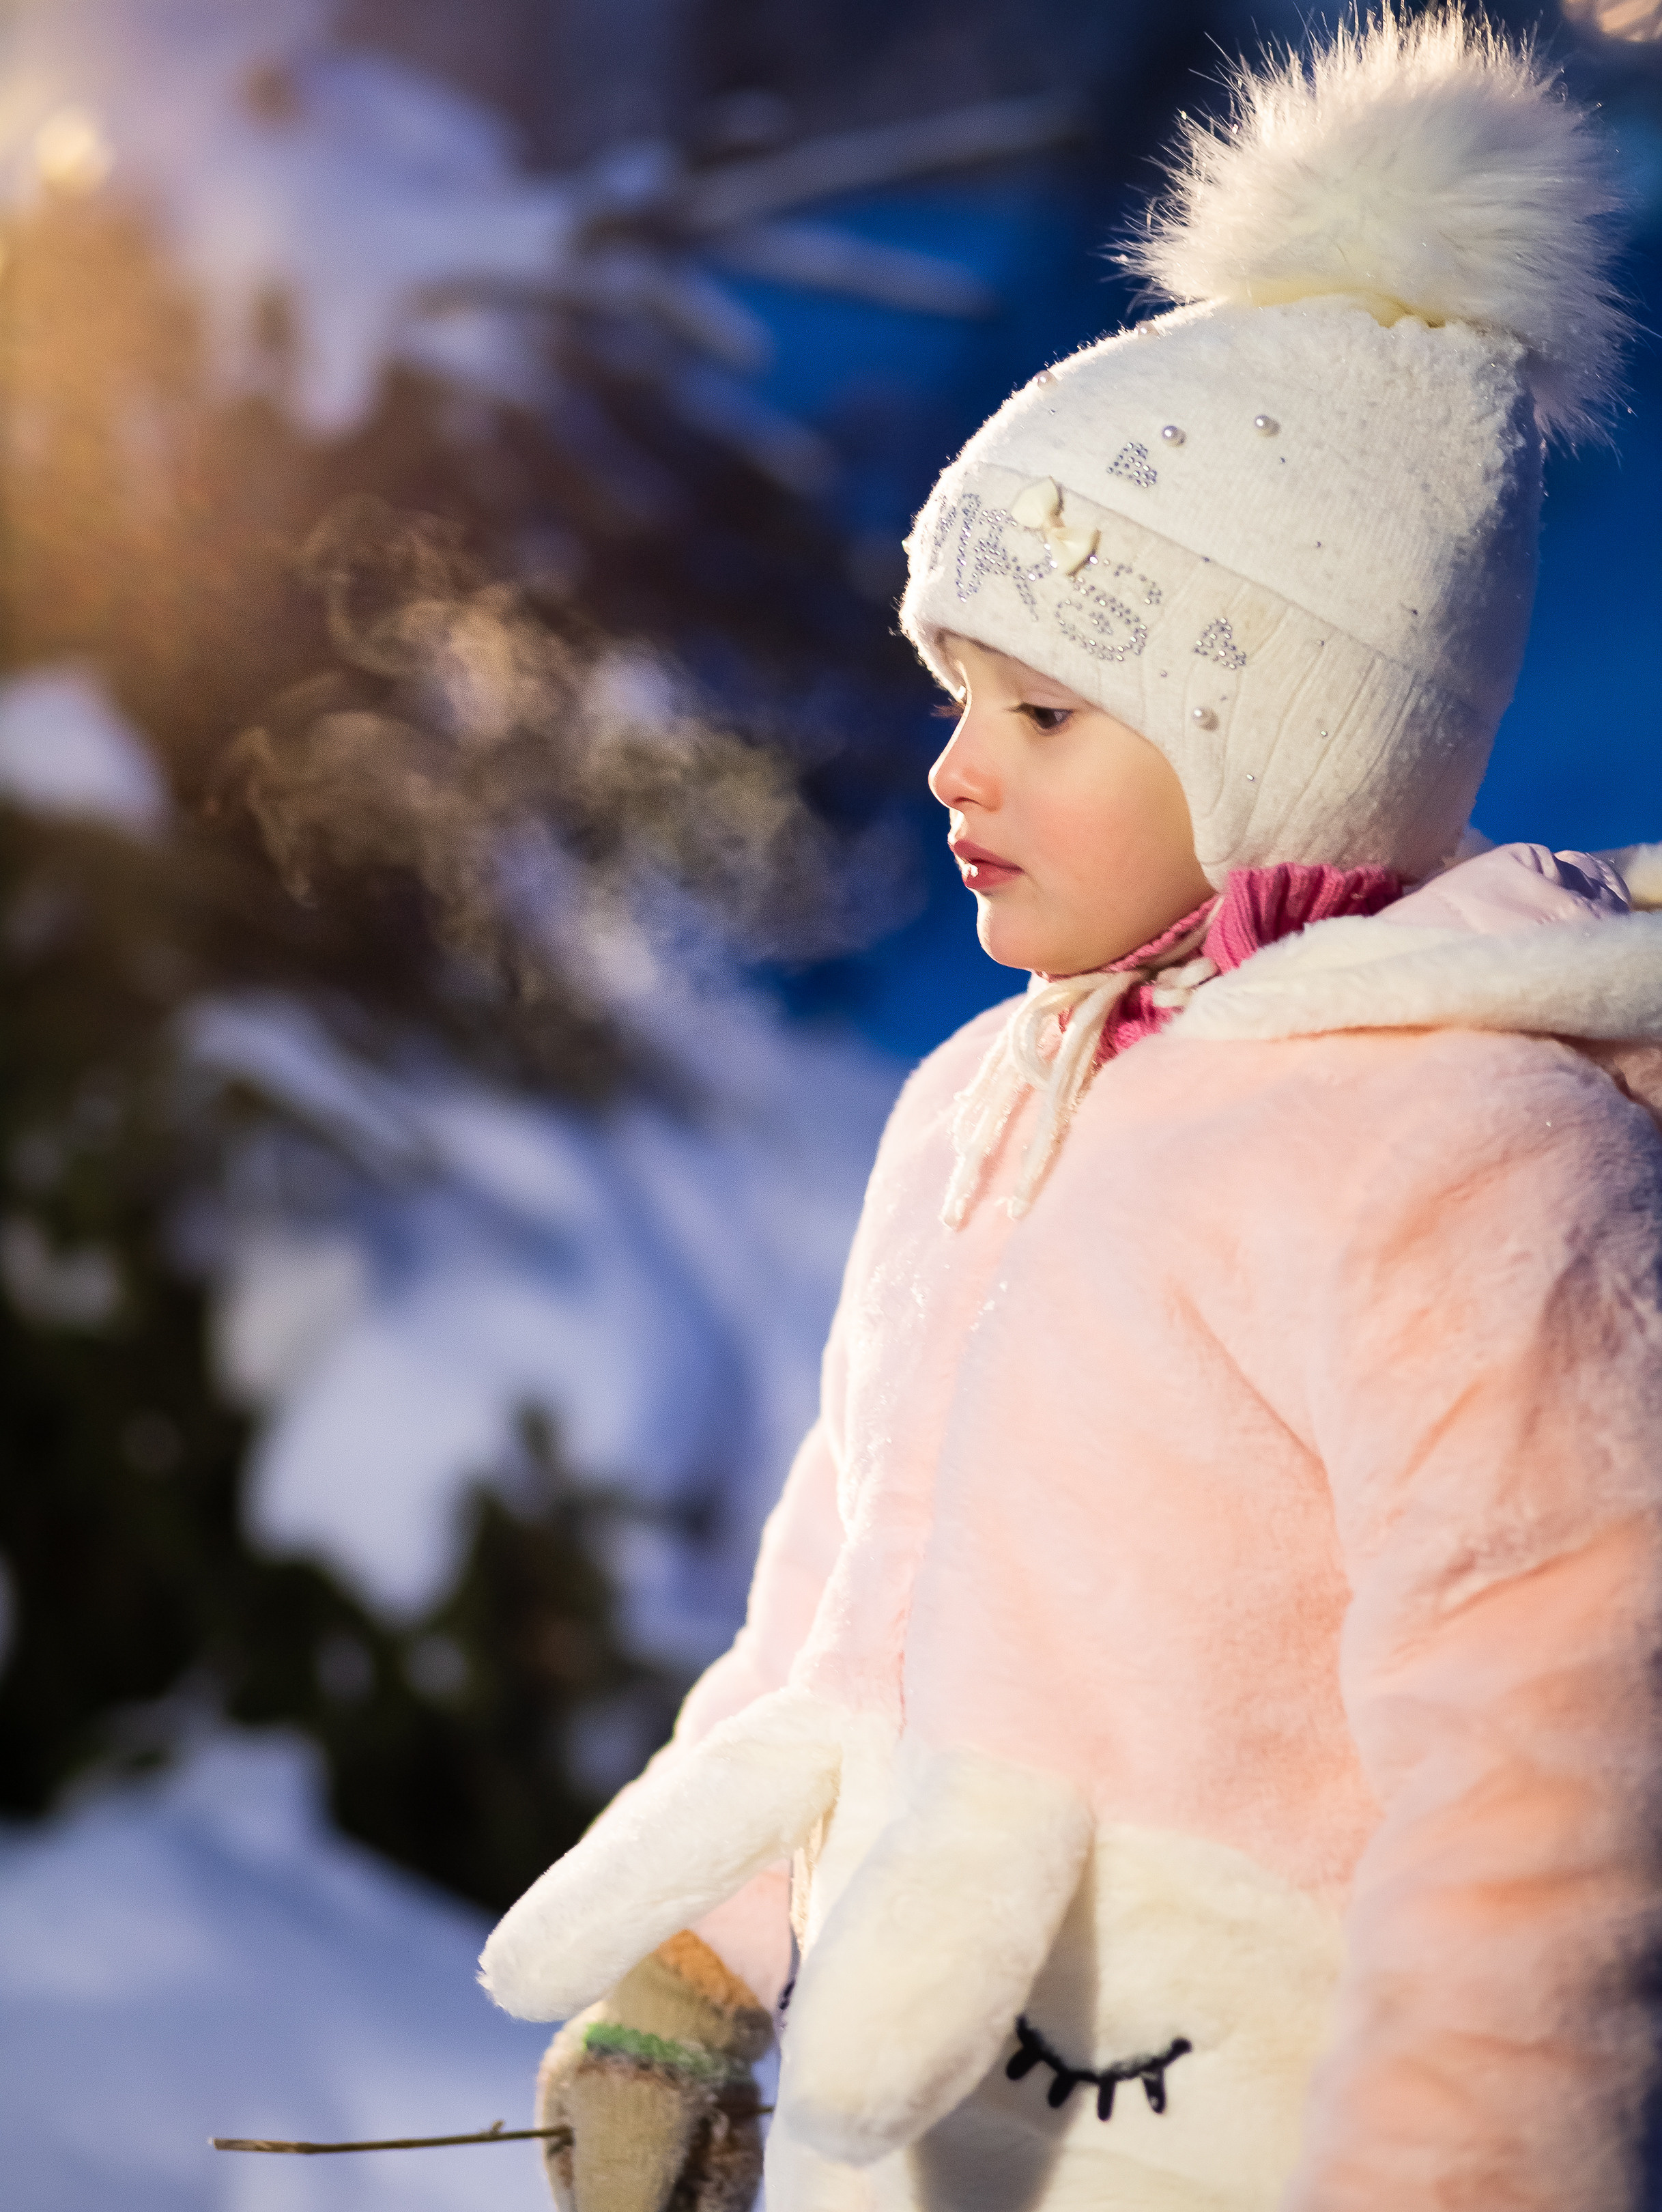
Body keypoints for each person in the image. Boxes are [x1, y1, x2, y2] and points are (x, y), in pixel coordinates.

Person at [480, 12, 1662, 2210]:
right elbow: (853, 1596)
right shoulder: (974, 1109)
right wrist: (696, 1968)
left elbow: (1557, 1772)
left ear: (1290, 734)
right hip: (921, 2122)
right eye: (953, 696)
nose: (955, 766)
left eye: (1042, 706)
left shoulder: (1469, 1163)